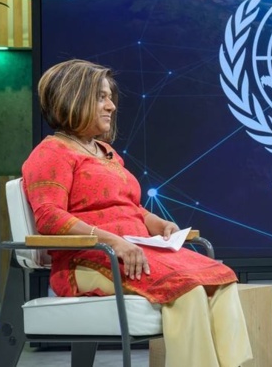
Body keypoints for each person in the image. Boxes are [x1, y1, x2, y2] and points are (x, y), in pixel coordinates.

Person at [23, 59, 252, 367]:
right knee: (187, 289)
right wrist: (114, 242)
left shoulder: (106, 153)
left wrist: (156, 223)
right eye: (101, 97)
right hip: (87, 260)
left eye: (110, 97)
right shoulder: (51, 153)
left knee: (220, 279)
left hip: (137, 251)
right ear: (73, 98)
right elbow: (49, 217)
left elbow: (128, 206)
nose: (111, 106)